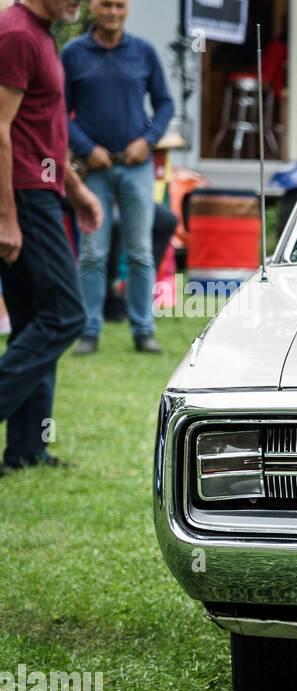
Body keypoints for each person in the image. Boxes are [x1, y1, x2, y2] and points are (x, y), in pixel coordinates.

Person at [0, 0, 105, 475]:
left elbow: (39, 132)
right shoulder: (18, 34)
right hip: (23, 196)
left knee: (34, 322)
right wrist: (6, 217)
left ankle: (26, 450)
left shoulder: (40, 33)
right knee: (65, 316)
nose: (78, 3)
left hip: (39, 190)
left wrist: (77, 190)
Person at [62, 0, 173, 355]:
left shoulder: (143, 51)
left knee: (140, 251)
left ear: (127, 9)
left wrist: (149, 140)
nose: (112, 12)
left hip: (135, 165)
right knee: (93, 252)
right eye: (105, 5)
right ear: (93, 7)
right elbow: (57, 111)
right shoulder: (74, 53)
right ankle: (89, 330)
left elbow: (165, 103)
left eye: (119, 6)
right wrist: (84, 147)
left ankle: (143, 330)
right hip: (94, 168)